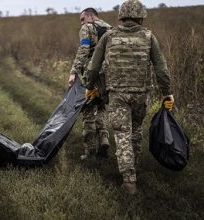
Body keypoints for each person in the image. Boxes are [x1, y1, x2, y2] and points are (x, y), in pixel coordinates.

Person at [85, 0, 174, 194]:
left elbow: (93, 67)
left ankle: (129, 180)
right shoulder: (149, 37)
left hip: (117, 94)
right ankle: (132, 169)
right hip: (142, 94)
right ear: (141, 16)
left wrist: (90, 87)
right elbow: (161, 69)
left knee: (122, 133)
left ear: (121, 16)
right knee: (135, 131)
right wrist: (167, 93)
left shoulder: (108, 37)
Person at [67, 8, 112, 160]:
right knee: (101, 108)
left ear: (91, 16)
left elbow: (83, 50)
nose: (81, 23)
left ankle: (90, 151)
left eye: (82, 19)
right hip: (107, 76)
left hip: (92, 75)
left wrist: (74, 71)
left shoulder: (87, 28)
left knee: (87, 111)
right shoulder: (110, 29)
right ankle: (104, 140)